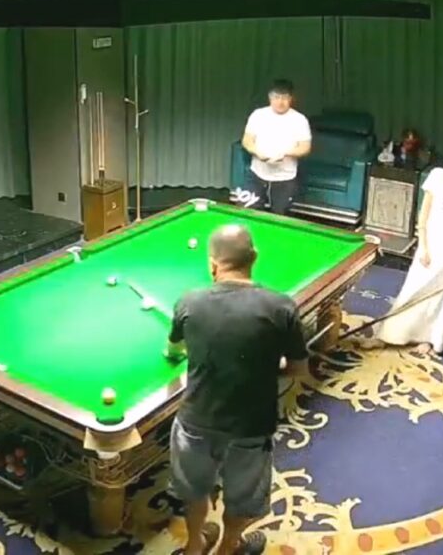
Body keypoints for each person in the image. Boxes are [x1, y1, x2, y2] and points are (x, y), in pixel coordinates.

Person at [164, 224, 309, 555]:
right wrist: (269, 365)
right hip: (251, 425)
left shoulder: (188, 301)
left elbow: (173, 350)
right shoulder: (282, 307)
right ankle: (230, 546)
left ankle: (194, 545)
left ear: (212, 264)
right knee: (243, 497)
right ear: (254, 258)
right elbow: (299, 370)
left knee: (194, 491)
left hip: (196, 420)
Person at [365, 140, 443, 357]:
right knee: (414, 288)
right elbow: (424, 214)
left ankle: (430, 339)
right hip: (431, 240)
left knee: (440, 294)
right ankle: (387, 335)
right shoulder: (437, 175)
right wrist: (424, 246)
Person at [237, 79, 312, 216]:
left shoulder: (300, 120)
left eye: (284, 98)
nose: (280, 102)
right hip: (257, 175)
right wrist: (258, 152)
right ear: (270, 98)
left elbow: (305, 147)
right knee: (247, 212)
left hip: (285, 178)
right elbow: (247, 141)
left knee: (280, 216)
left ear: (291, 99)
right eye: (276, 97)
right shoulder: (258, 115)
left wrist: (285, 153)